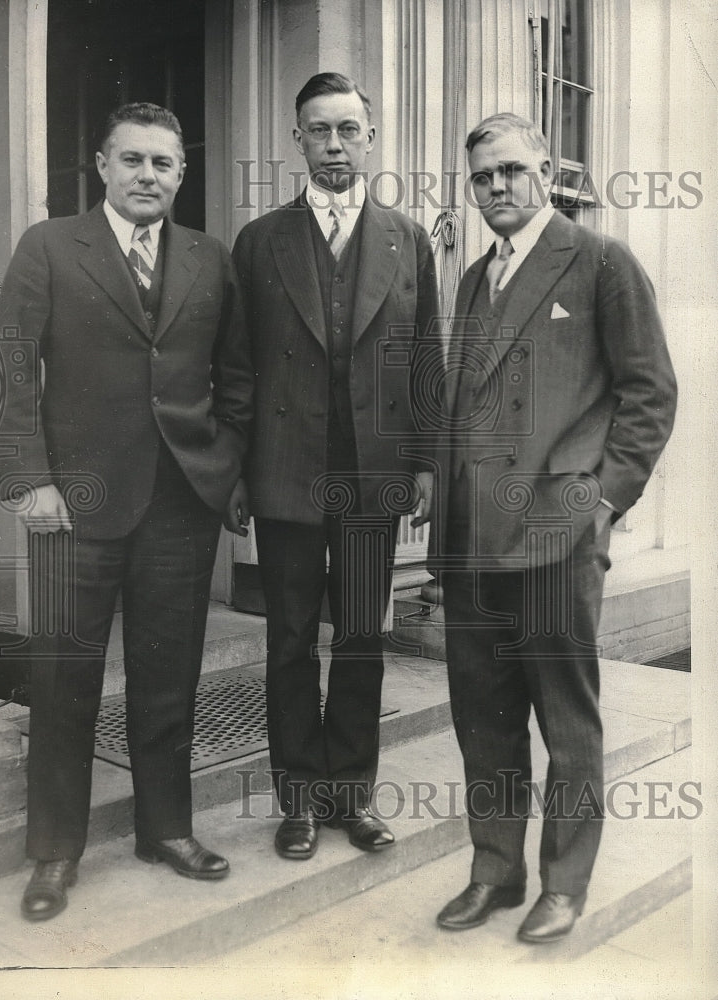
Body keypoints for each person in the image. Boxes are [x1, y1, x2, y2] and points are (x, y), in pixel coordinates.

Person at [0, 102, 253, 921]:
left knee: (168, 677)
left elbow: (238, 377)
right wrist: (29, 482)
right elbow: (8, 371)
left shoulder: (209, 259)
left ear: (181, 174)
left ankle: (165, 829)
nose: (148, 176)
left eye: (163, 164)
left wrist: (224, 467)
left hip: (179, 506)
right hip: (74, 505)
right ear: (101, 166)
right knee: (65, 679)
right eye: (132, 160)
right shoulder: (48, 247)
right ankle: (54, 852)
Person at [432, 113, 677, 943]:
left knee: (565, 722)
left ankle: (562, 884)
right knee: (484, 717)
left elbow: (649, 395)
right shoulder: (472, 278)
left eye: (509, 170)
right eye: (480, 177)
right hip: (474, 540)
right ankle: (493, 872)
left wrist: (601, 504)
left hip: (555, 533)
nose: (495, 188)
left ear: (545, 169)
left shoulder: (600, 261)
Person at [226, 72, 441, 860]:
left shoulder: (406, 239)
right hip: (282, 473)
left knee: (358, 638)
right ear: (297, 139)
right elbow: (238, 368)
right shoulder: (260, 241)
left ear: (370, 135)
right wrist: (238, 476)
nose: (334, 145)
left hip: (370, 478)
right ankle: (298, 803)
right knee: (287, 642)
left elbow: (426, 362)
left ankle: (350, 796)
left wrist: (422, 463)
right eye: (319, 130)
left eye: (348, 129)